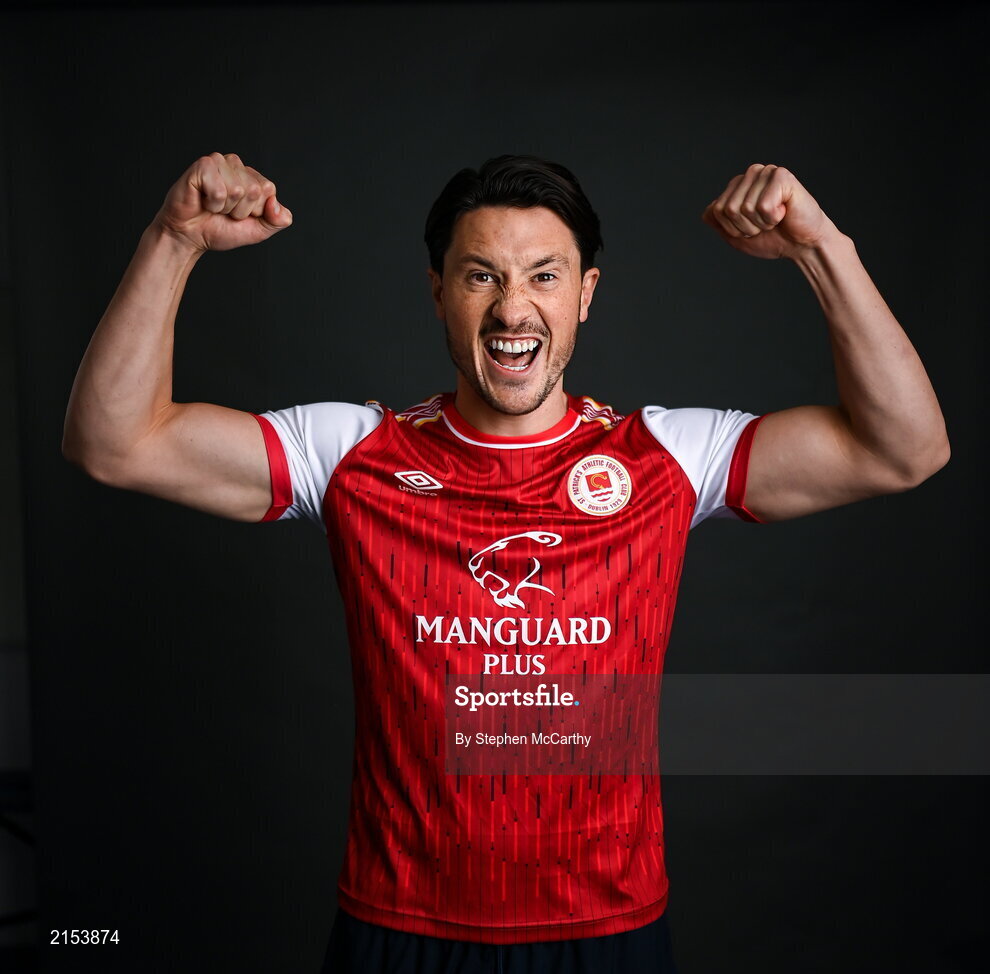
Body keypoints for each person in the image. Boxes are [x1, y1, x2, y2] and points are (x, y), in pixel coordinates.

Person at [62, 152, 949, 973]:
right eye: (481, 275)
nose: (512, 308)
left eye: (544, 276)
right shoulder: (350, 453)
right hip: (399, 926)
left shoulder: (665, 458)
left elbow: (903, 449)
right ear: (439, 291)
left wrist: (821, 251)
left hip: (607, 930)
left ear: (586, 295)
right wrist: (172, 240)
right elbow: (115, 443)